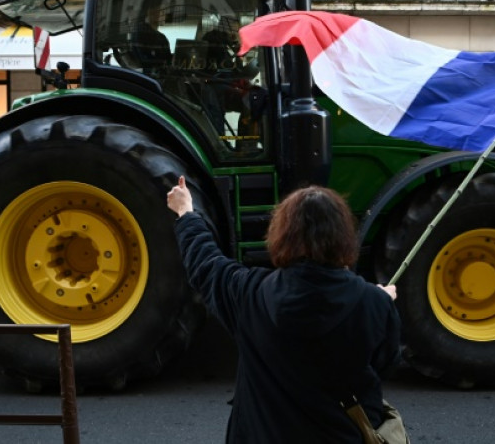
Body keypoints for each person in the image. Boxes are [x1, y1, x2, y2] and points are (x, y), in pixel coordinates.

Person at [166, 177, 402, 443]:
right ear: (344, 236)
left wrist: (186, 212)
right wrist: (378, 303)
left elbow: (205, 262)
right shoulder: (373, 303)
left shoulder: (249, 292)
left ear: (281, 235)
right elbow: (384, 364)